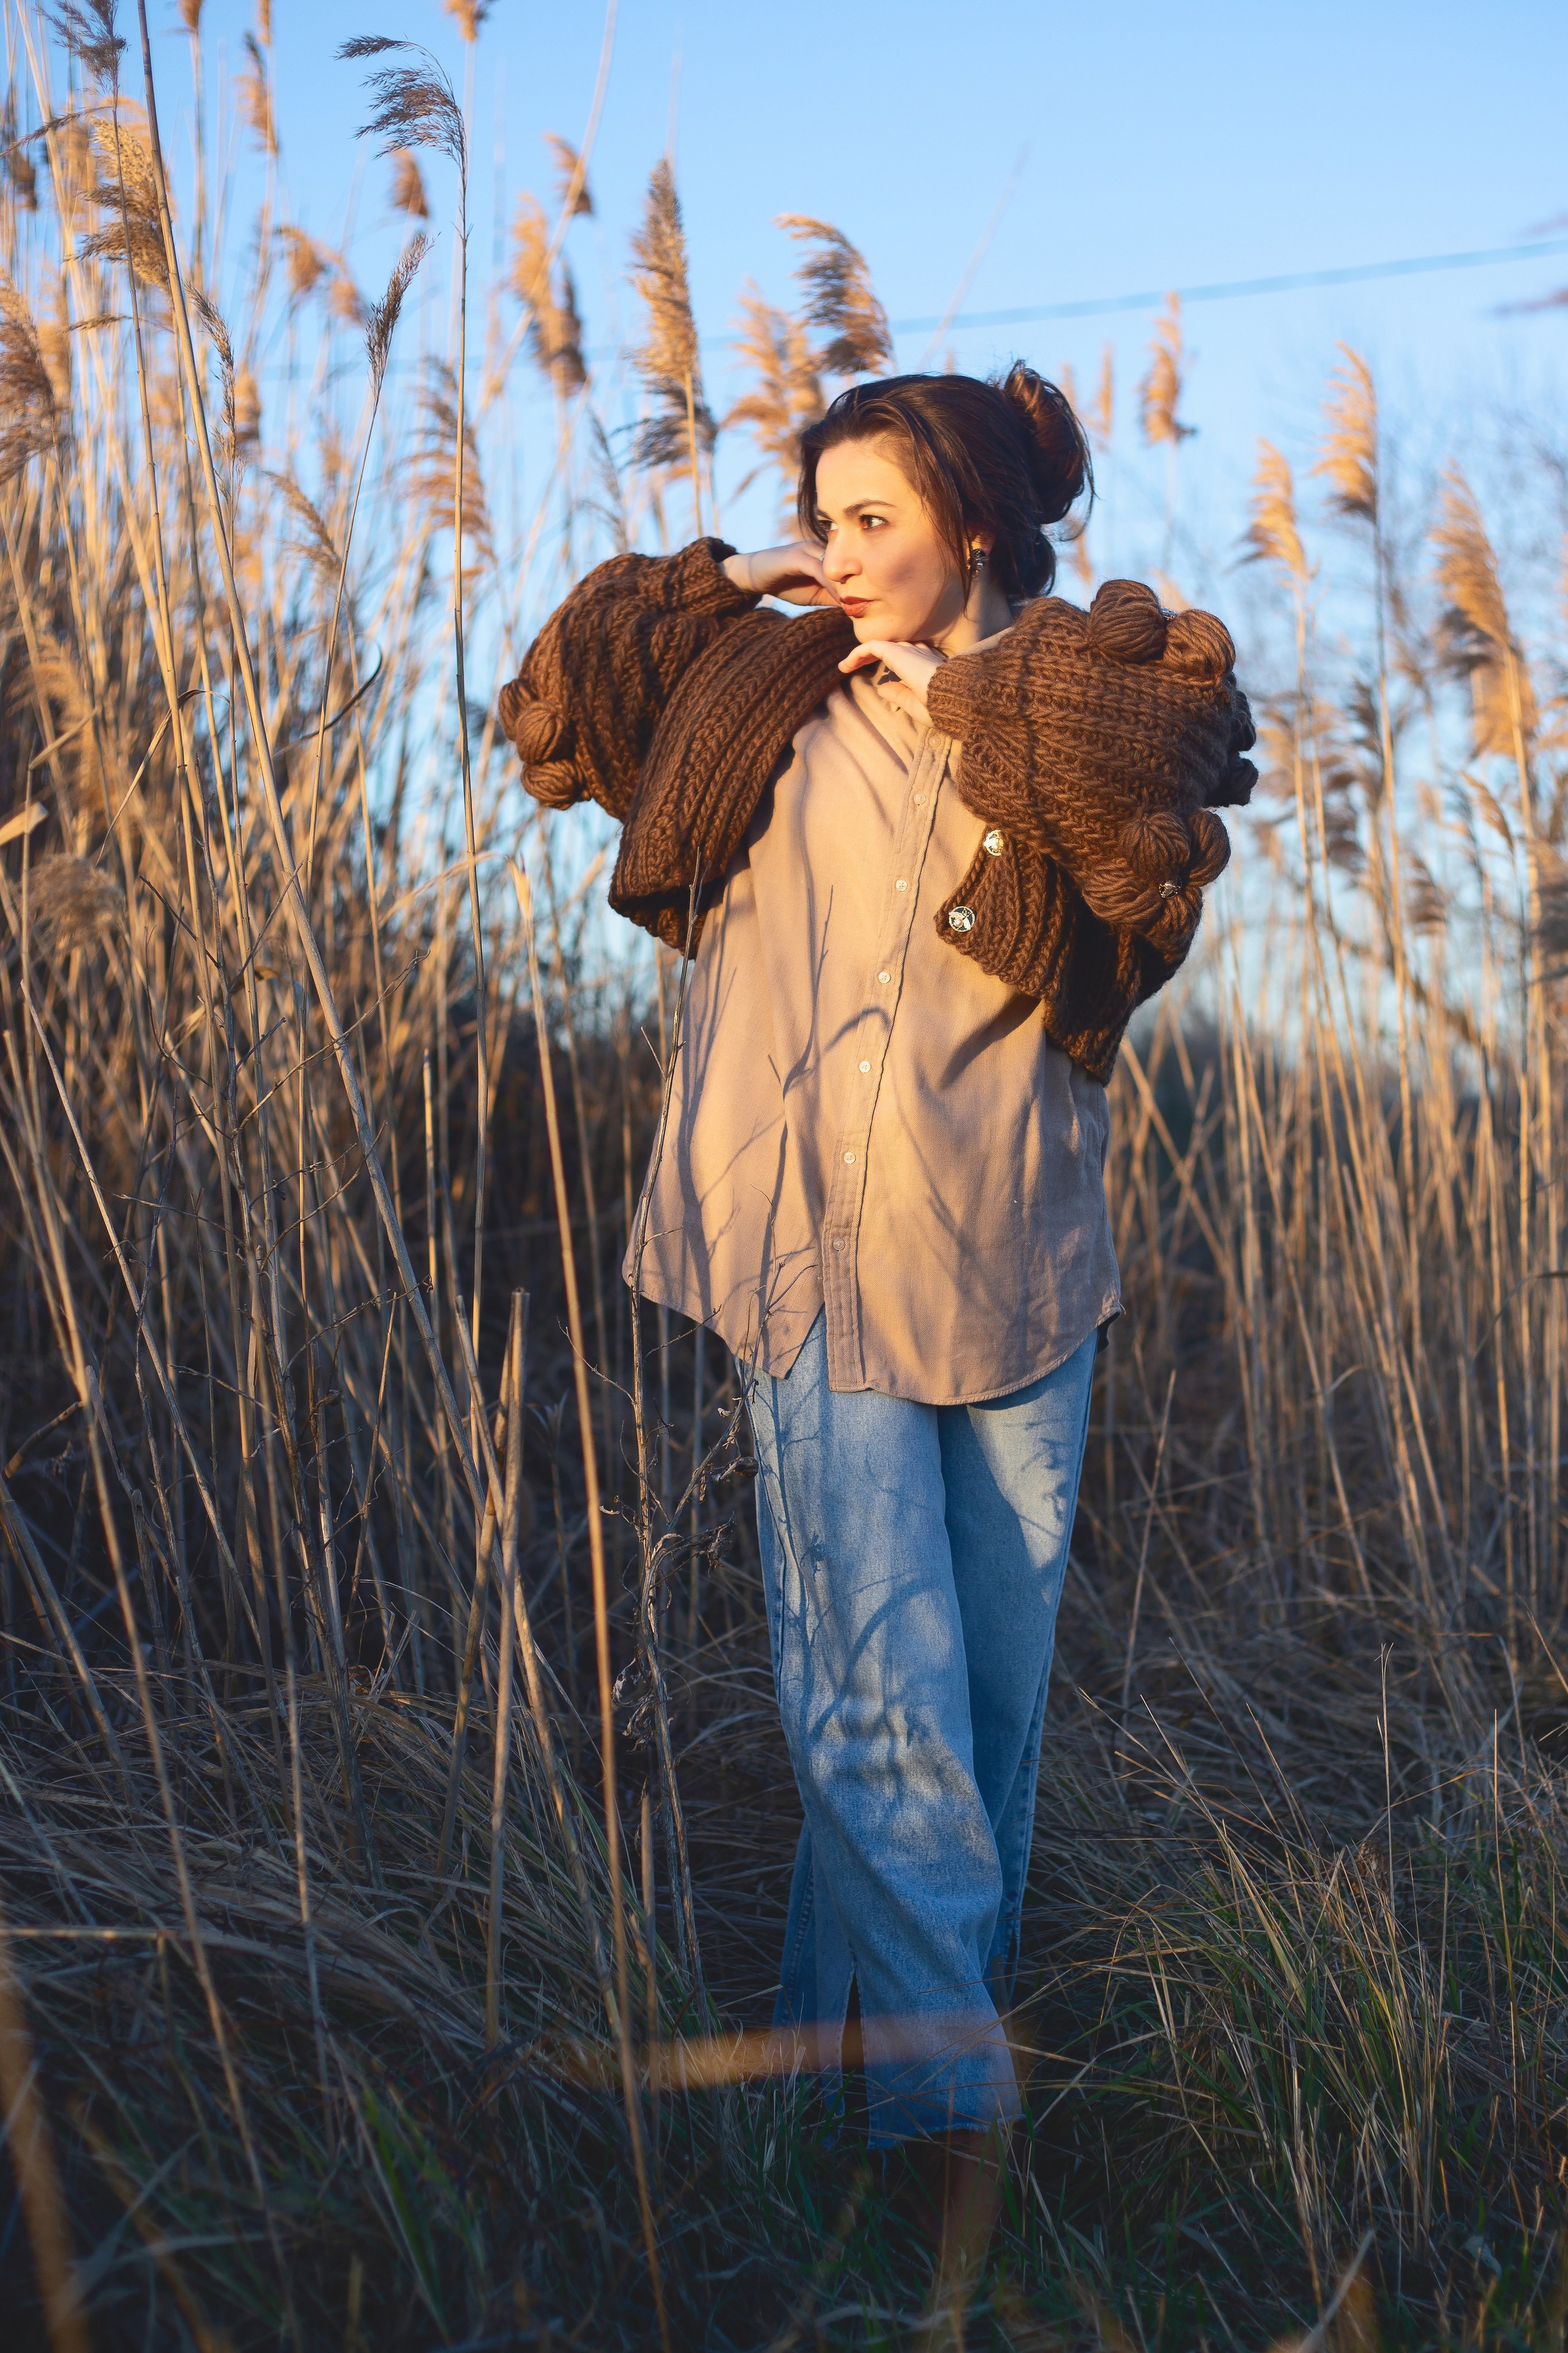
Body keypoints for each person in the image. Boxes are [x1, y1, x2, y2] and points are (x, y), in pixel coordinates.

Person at [499, 366, 1254, 2308]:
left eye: (871, 522)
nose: (835, 556)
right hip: (799, 1244)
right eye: (818, 518)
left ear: (976, 527)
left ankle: (846, 2104)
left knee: (983, 1718)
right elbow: (559, 702)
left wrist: (994, 697)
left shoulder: (1075, 719)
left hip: (1015, 1255)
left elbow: (1151, 876)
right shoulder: (760, 689)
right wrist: (731, 576)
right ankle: (952, 2146)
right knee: (877, 1703)